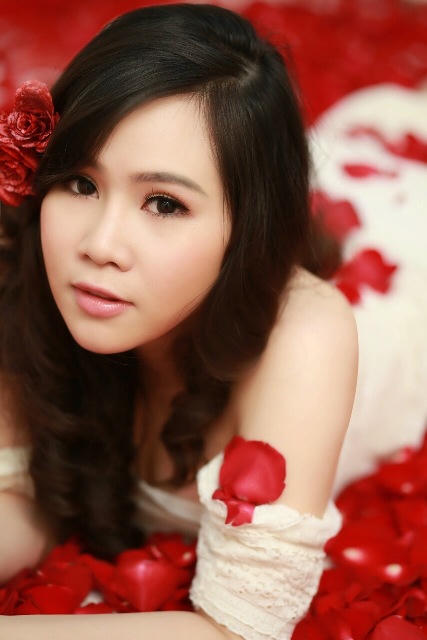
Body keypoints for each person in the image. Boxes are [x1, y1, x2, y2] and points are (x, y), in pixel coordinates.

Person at [0, 3, 359, 638]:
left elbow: (234, 629)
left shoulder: (305, 335)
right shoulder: (27, 260)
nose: (100, 245)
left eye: (164, 203)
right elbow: (31, 497)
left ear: (245, 230)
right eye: (80, 183)